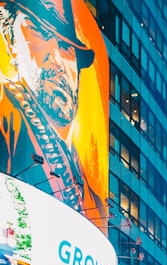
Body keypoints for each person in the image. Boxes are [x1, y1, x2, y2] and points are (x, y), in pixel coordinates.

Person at [0, 0, 106, 219]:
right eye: (39, 34)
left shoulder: (94, 200)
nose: (57, 61)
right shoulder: (5, 119)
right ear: (11, 42)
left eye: (67, 47)